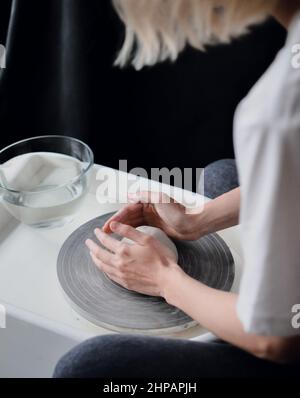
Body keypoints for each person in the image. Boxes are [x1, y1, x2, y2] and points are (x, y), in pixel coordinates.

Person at [54, 0, 300, 377]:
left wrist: (165, 280)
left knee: (85, 369)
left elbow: (277, 338)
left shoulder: (276, 112)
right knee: (221, 176)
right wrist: (197, 221)